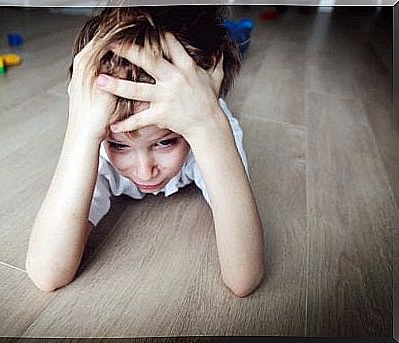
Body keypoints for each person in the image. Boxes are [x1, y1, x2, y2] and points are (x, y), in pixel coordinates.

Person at [25, 6, 265, 297]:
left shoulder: (208, 125)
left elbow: (244, 279)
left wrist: (207, 124)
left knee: (235, 38)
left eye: (165, 142)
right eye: (119, 145)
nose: (144, 171)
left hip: (203, 79)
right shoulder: (99, 128)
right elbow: (47, 274)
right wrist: (81, 133)